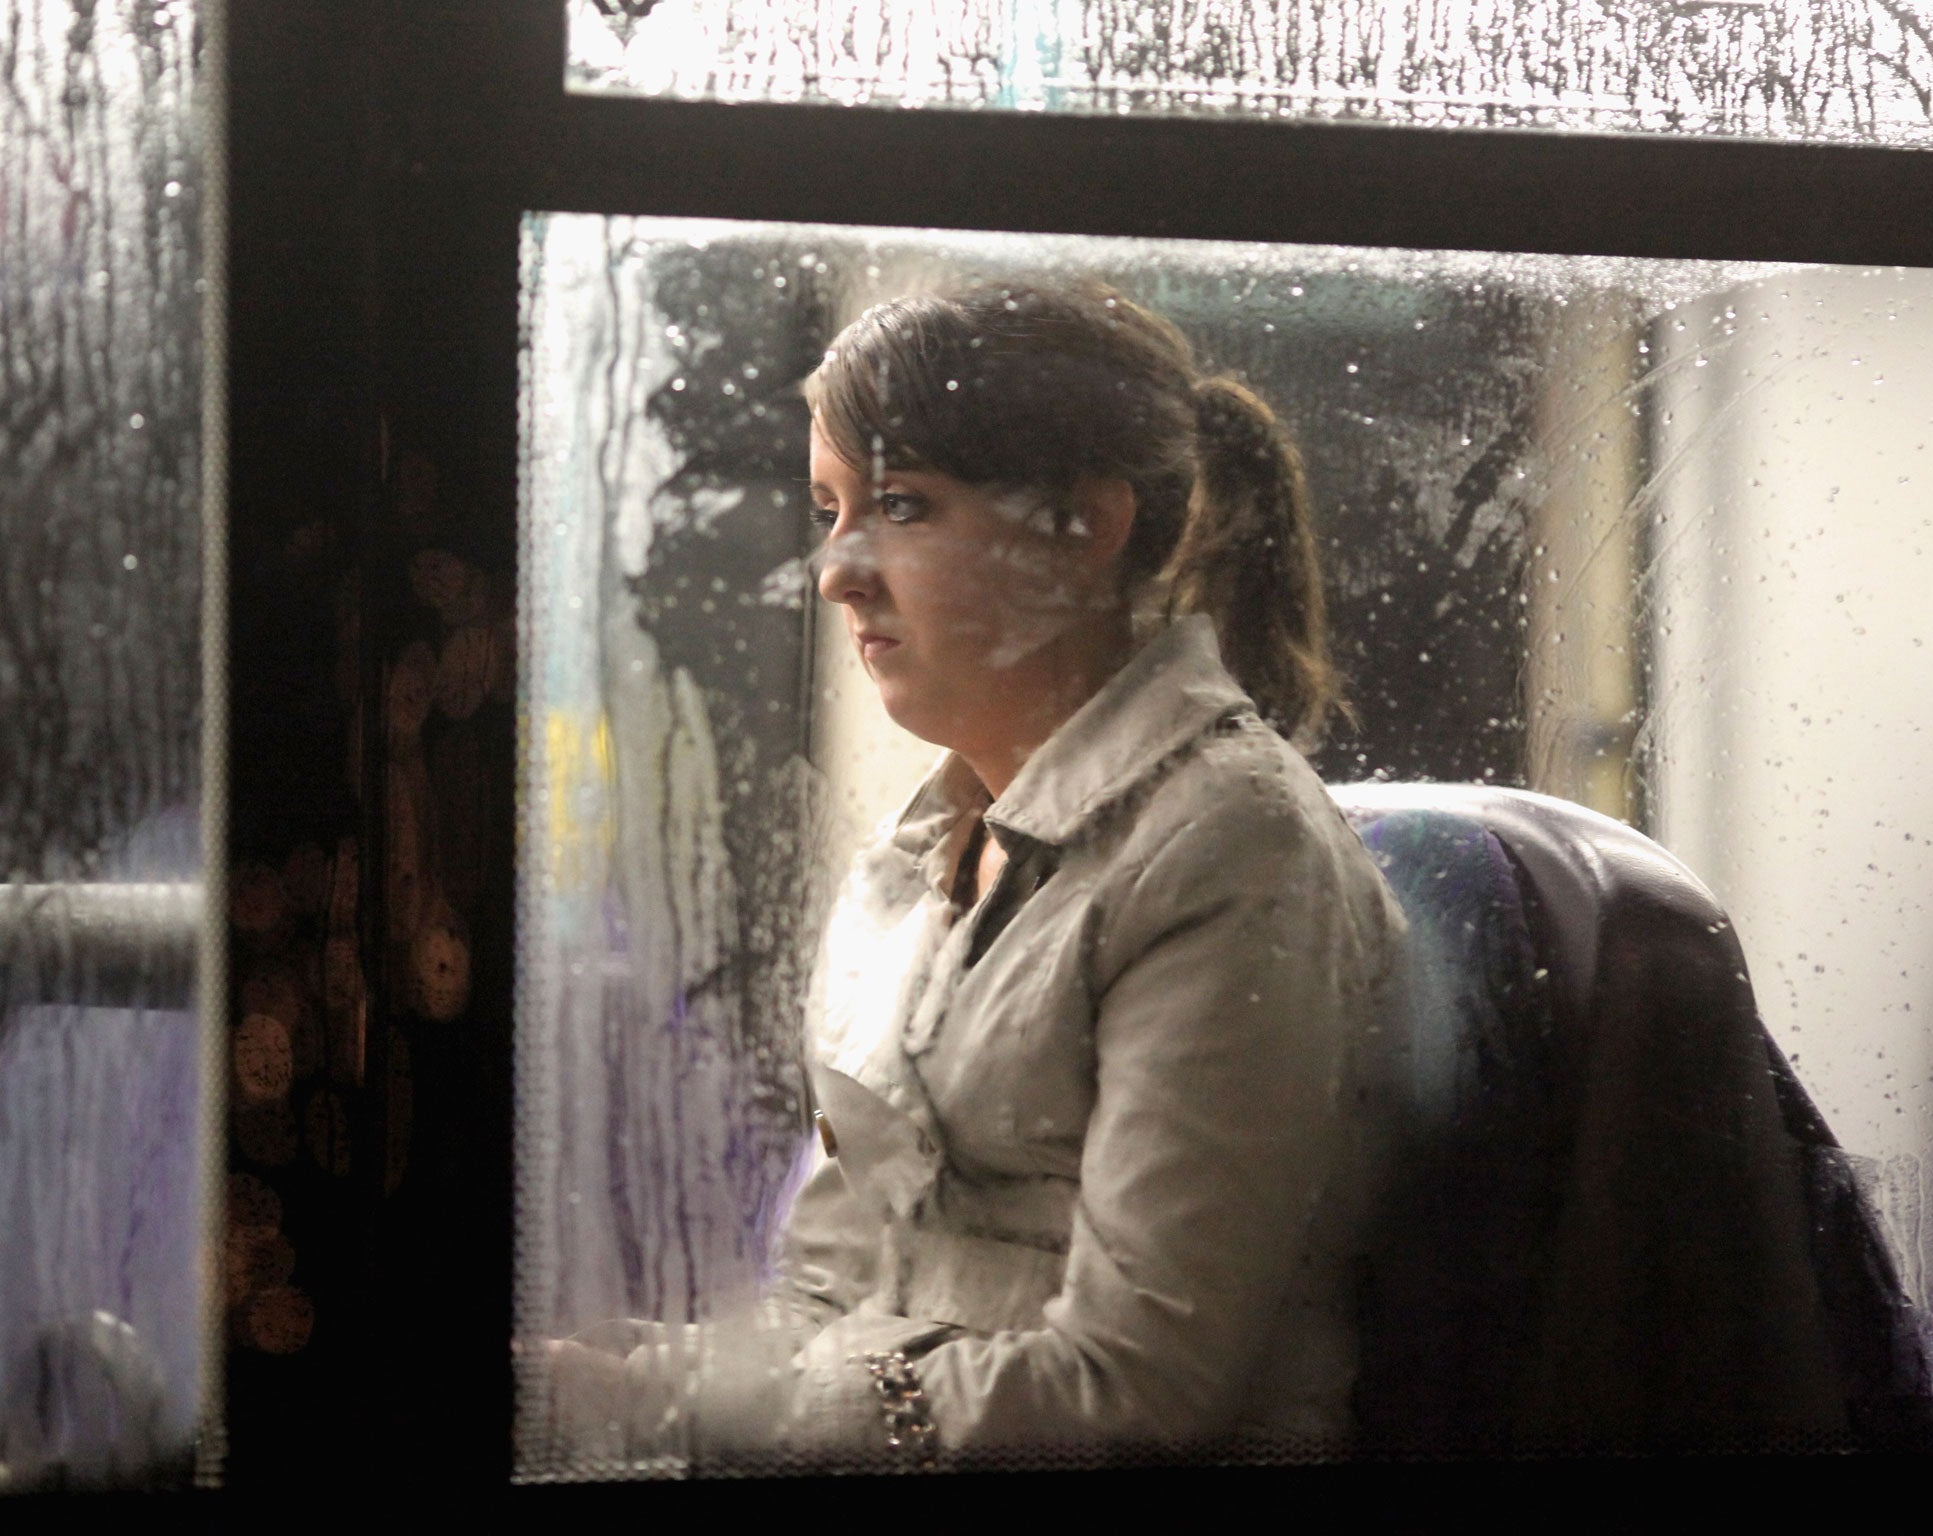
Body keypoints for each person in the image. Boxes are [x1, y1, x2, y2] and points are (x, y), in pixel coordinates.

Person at [546, 280, 1407, 1470]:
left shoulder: (1231, 849)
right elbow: (831, 1291)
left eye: (898, 506)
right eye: (826, 509)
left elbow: (1133, 1391)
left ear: (1085, 526)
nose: (836, 571)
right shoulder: (913, 860)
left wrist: (672, 1411)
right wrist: (628, 1379)